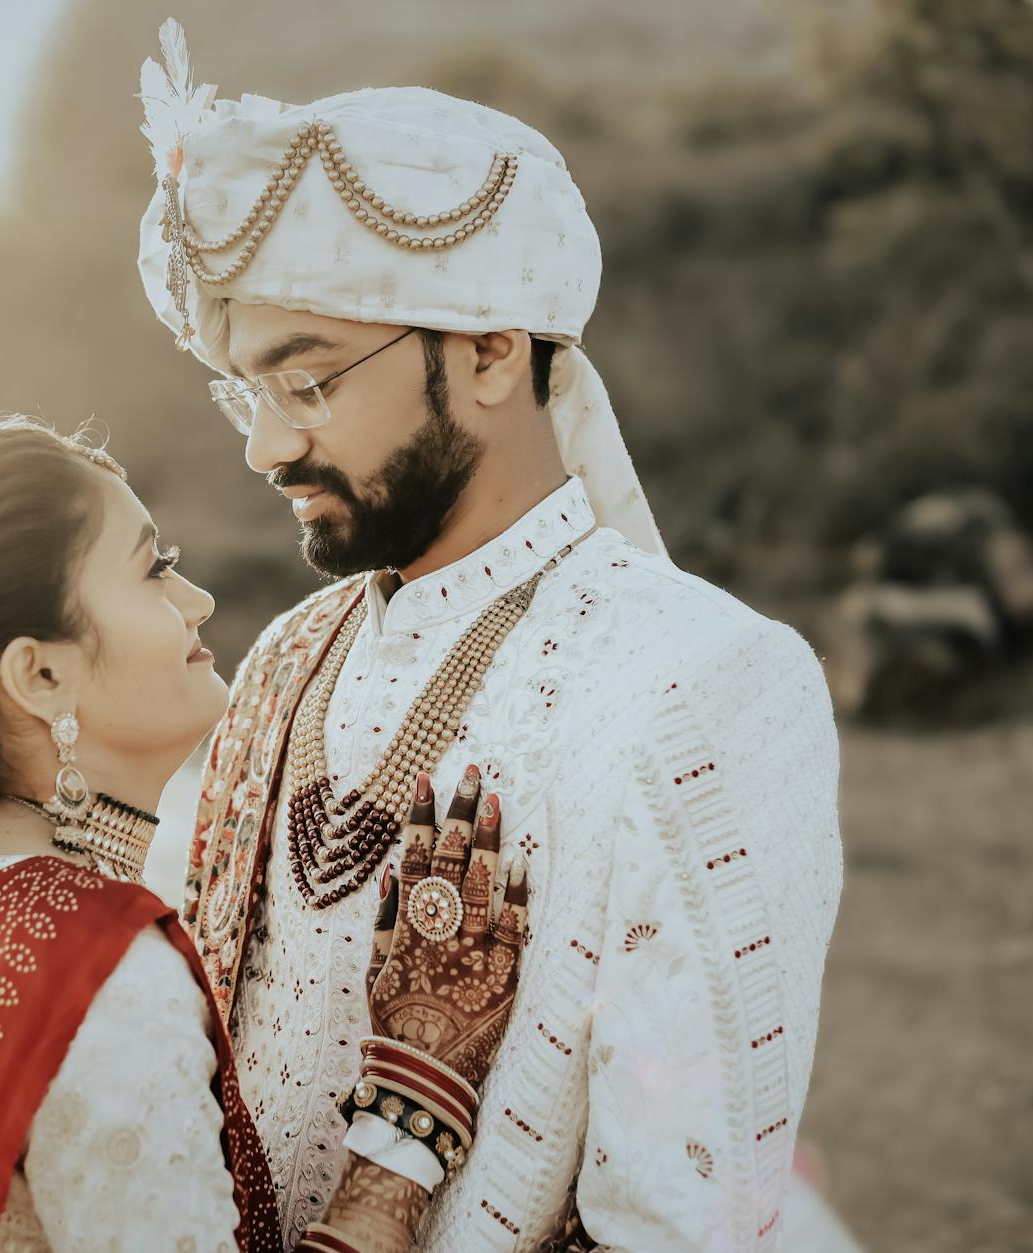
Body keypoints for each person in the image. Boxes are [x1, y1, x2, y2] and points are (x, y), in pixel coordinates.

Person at [135, 20, 844, 1251]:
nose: (264, 445)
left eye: (307, 382)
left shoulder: (703, 679)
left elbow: (678, 1218)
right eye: (244, 391)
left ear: (487, 353)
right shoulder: (288, 653)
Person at [0, 417, 535, 1253]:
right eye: (155, 569)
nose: (198, 601)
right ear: (41, 673)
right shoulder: (98, 965)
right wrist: (410, 1113)